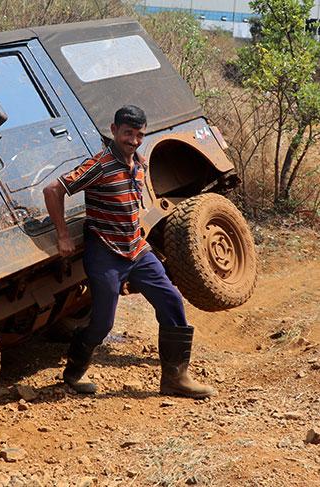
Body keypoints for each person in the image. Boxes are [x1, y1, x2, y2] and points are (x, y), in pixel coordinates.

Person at [43, 105, 215, 398]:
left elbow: (135, 201)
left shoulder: (139, 162)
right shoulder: (100, 165)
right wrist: (62, 235)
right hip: (105, 251)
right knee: (102, 323)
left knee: (171, 300)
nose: (133, 140)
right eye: (128, 134)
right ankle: (73, 373)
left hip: (136, 249)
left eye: (139, 135)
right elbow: (53, 190)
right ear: (113, 130)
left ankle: (175, 378)